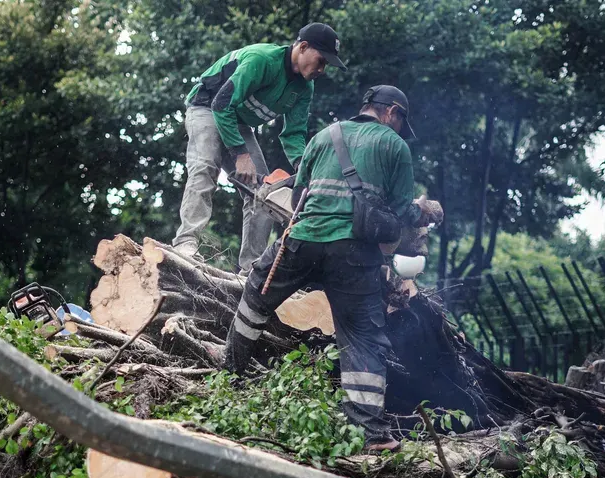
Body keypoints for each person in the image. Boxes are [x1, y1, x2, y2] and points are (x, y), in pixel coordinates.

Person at [223, 86, 444, 453]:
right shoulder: (395, 146)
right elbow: (404, 210)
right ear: (391, 112)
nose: (401, 129)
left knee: (256, 295)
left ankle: (229, 373)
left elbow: (298, 198)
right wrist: (428, 211)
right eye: (401, 121)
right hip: (353, 254)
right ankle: (371, 435)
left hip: (302, 240)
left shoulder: (325, 136)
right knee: (361, 337)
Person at [171, 23, 347, 273]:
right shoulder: (261, 60)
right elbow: (222, 104)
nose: (322, 69)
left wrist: (304, 169)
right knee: (205, 167)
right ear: (303, 47)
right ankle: (185, 244)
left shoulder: (304, 87)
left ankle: (249, 269)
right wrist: (240, 155)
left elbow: (294, 133)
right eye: (321, 60)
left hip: (238, 121)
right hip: (207, 107)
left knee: (266, 194)